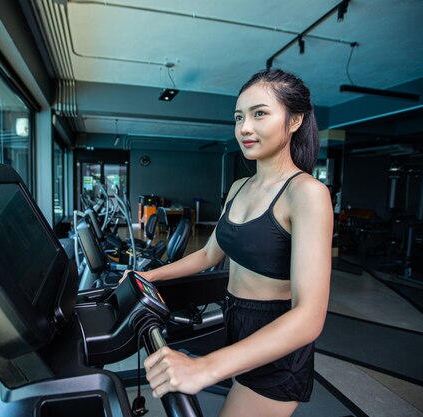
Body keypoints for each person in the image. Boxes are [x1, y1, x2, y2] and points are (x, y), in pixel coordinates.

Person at [124, 68, 332, 417]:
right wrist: (149, 277)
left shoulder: (306, 193)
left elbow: (309, 316)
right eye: (239, 117)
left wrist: (205, 368)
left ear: (295, 120)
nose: (244, 128)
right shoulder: (239, 188)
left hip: (277, 341)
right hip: (236, 323)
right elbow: (208, 253)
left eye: (259, 114)